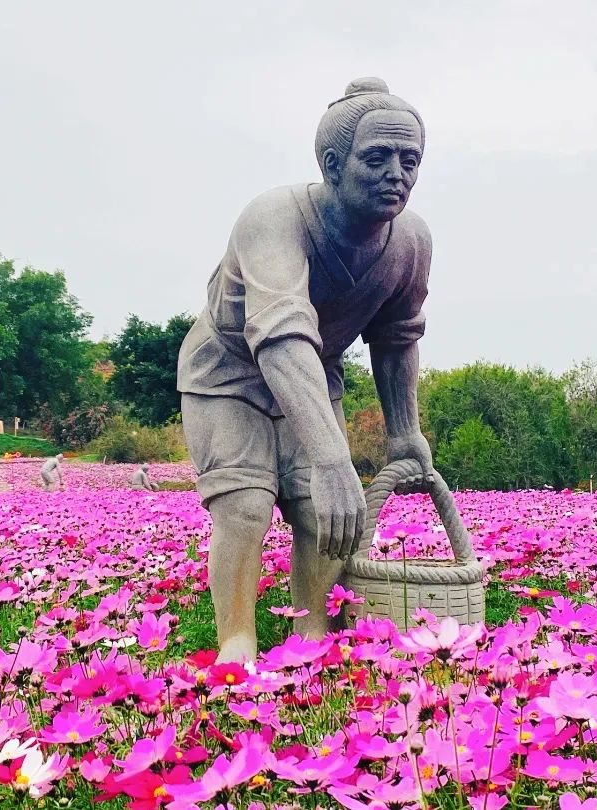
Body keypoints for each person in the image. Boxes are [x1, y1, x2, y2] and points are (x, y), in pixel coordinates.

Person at [177, 77, 436, 663]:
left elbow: (396, 336)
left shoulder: (412, 241)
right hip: (230, 370)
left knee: (323, 512)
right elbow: (281, 332)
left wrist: (404, 432)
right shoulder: (274, 217)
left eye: (410, 159)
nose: (396, 172)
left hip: (312, 371)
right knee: (244, 505)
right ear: (332, 164)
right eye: (376, 158)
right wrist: (332, 455)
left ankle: (309, 638)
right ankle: (236, 646)